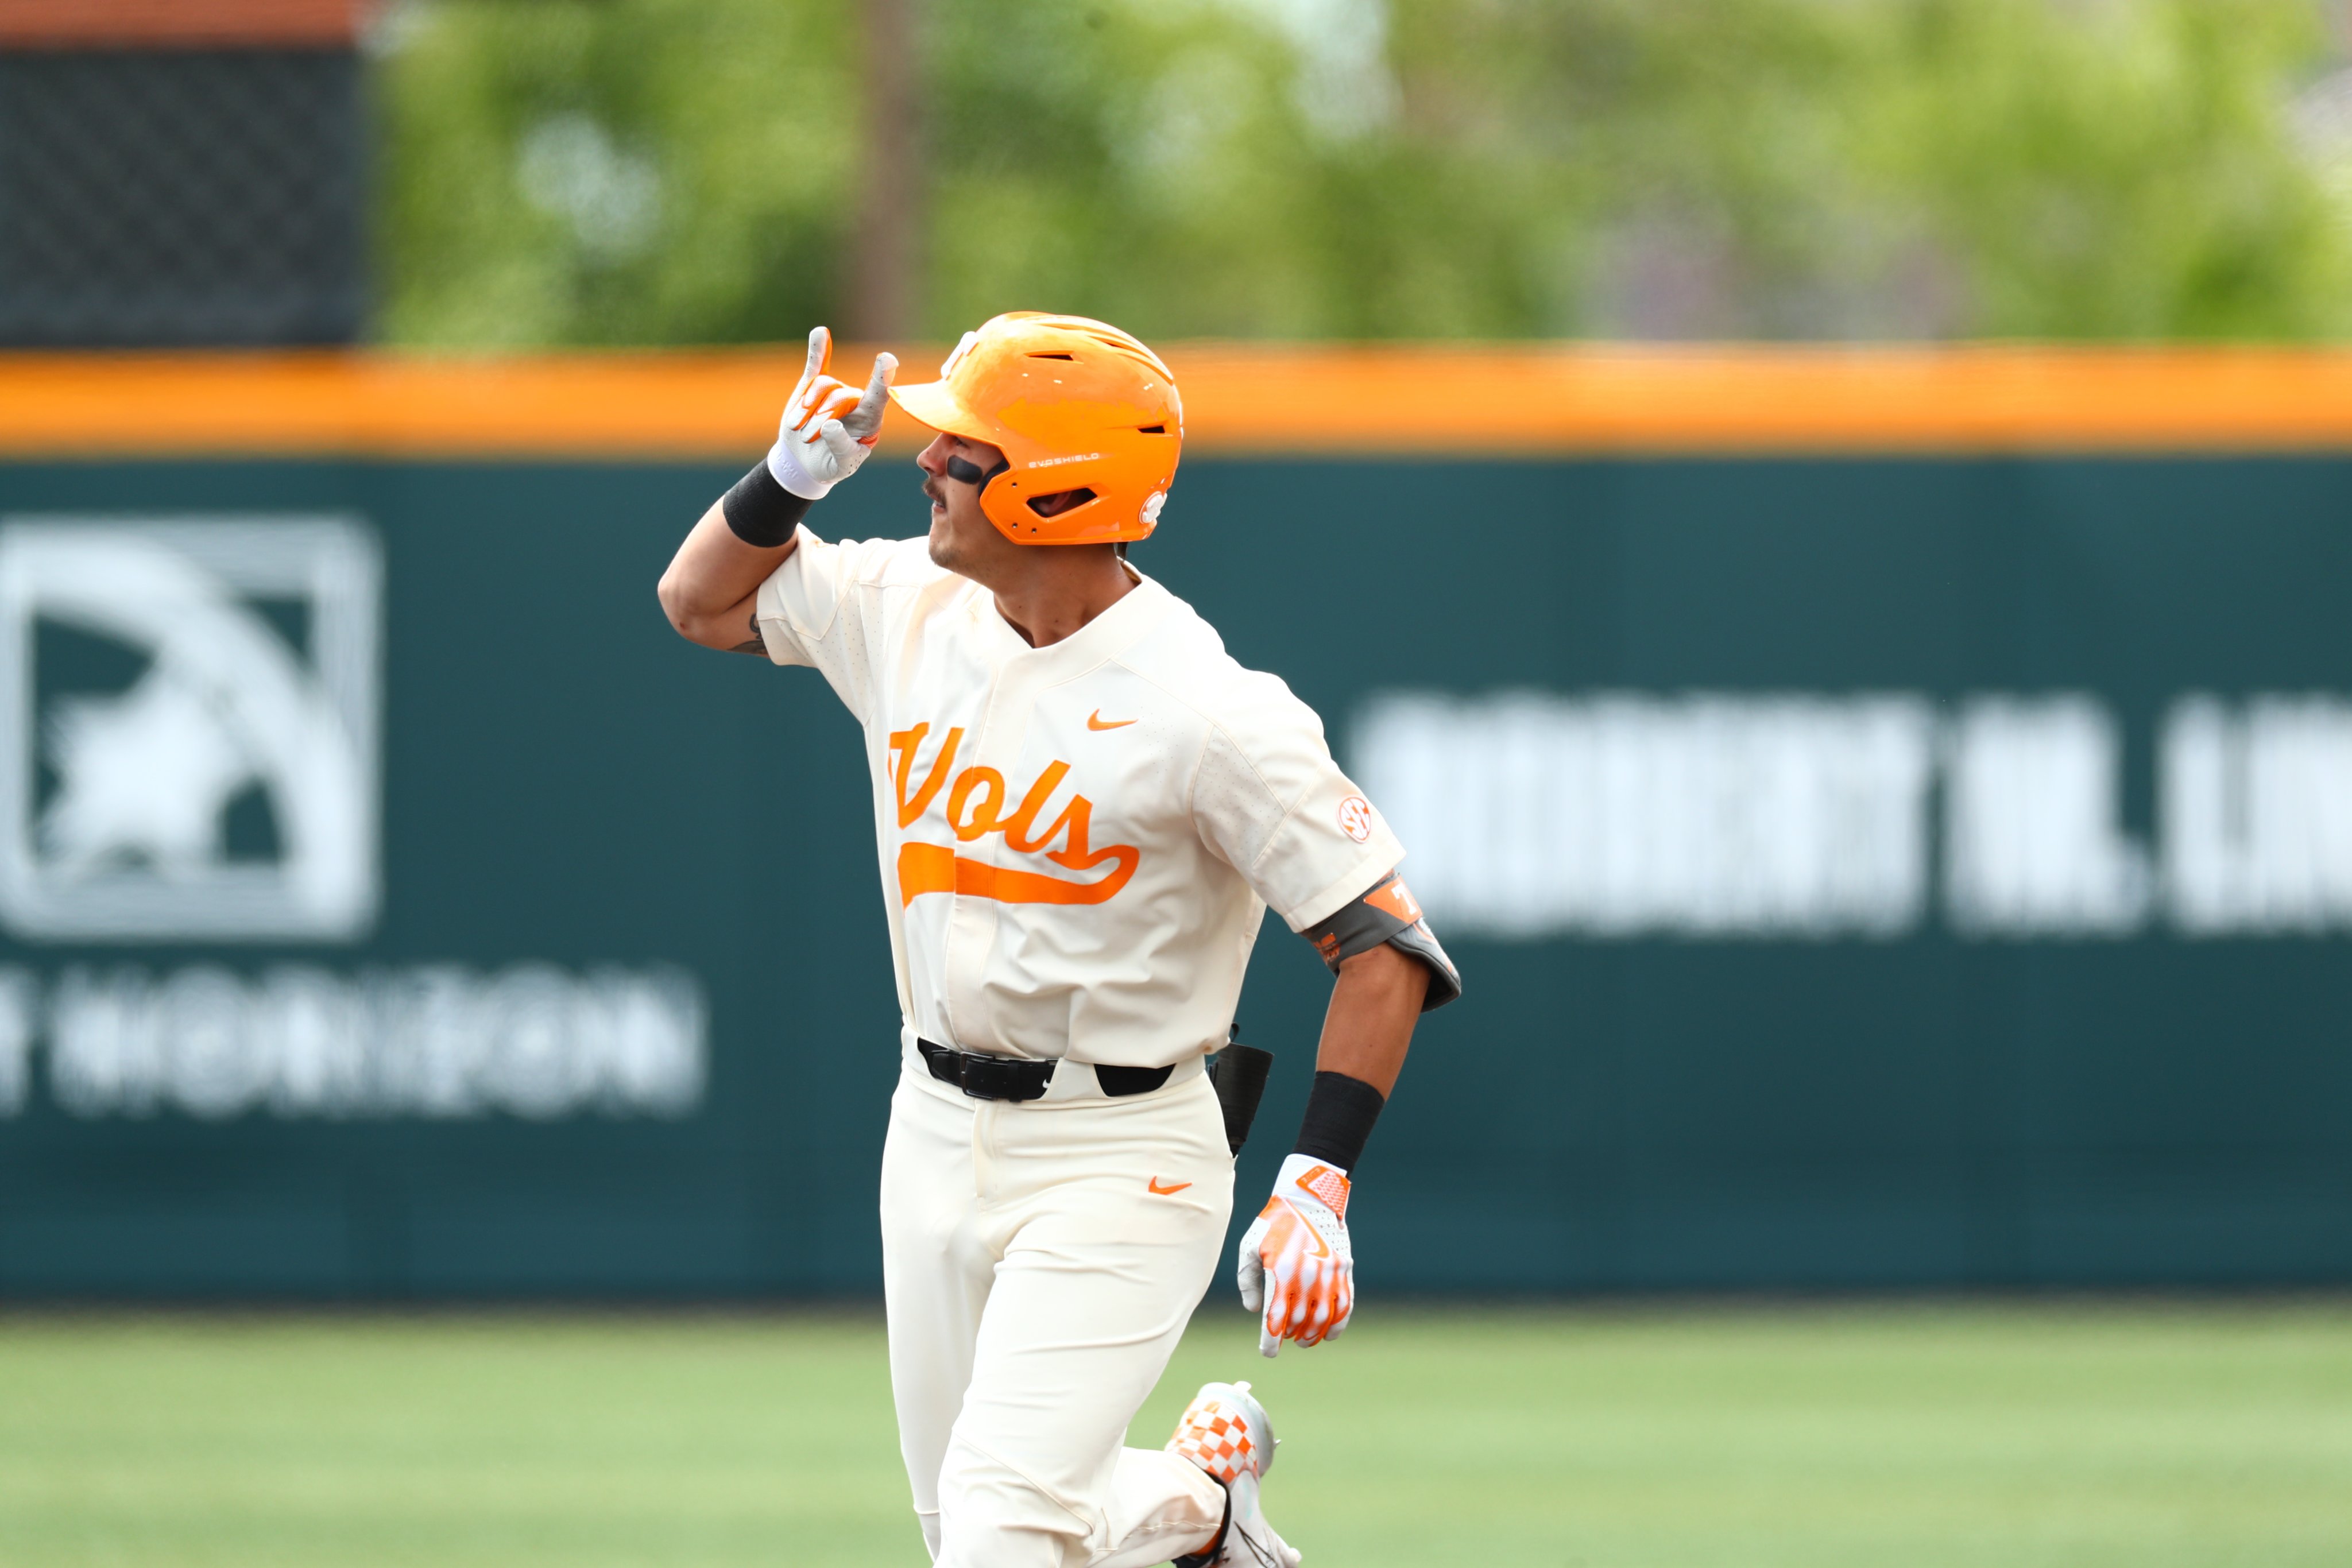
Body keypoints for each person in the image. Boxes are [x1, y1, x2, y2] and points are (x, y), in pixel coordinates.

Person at [656, 312, 1460, 1567]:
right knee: (979, 1528)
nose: (925, 461)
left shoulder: (1207, 709)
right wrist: (790, 480)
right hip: (928, 1123)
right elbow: (697, 603)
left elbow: (1383, 942)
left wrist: (1317, 1182)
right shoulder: (908, 608)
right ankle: (1201, 1512)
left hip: (1121, 1147)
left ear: (1051, 488)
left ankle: (1190, 1515)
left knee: (1000, 1531)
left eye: (962, 449)